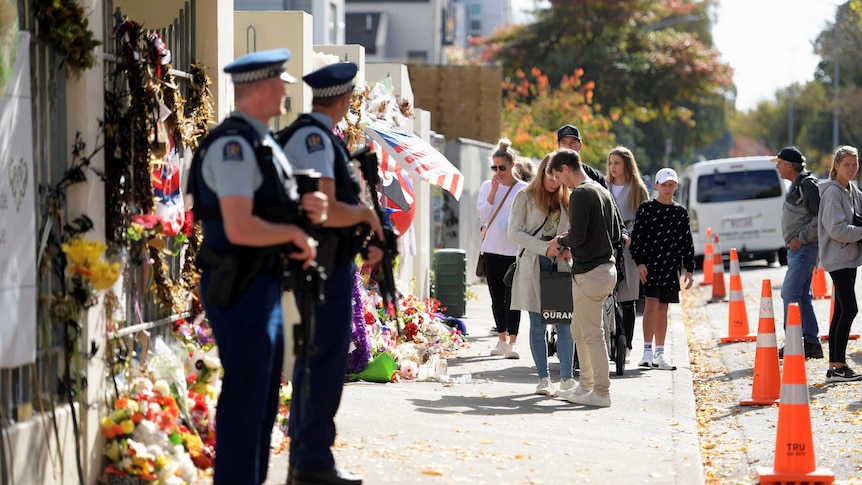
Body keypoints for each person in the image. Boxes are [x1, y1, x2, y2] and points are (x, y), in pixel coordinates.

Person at [188, 48, 326, 485]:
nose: (287, 89)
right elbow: (240, 225)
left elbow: (269, 208)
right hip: (240, 285)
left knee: (263, 400)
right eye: (282, 82)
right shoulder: (234, 145)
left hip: (262, 286)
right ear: (263, 87)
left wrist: (305, 210)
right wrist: (292, 235)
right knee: (247, 399)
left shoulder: (262, 141)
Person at [280, 62, 383, 485]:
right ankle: (313, 460)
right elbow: (323, 207)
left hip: (319, 265)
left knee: (316, 361)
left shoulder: (313, 135)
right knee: (323, 363)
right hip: (323, 269)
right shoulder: (316, 137)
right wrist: (364, 214)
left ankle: (306, 457)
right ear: (342, 99)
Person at [546, 148, 621, 407]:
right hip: (603, 269)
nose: (559, 183)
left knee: (591, 334)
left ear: (566, 168)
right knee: (580, 329)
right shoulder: (602, 190)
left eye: (558, 176)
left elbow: (577, 237)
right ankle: (586, 386)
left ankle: (601, 391)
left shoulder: (580, 194)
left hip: (590, 272)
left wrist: (561, 240)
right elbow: (614, 235)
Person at [508, 155, 575, 395]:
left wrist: (568, 247)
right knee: (537, 324)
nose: (555, 182)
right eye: (551, 176)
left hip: (557, 265)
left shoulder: (567, 199)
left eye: (559, 178)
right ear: (541, 172)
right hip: (534, 264)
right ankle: (543, 379)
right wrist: (543, 246)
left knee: (563, 324)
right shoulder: (525, 196)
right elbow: (513, 232)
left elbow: (574, 231)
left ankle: (567, 379)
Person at [630, 168, 695, 371]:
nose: (668, 188)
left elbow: (687, 242)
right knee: (651, 304)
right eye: (664, 184)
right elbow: (637, 239)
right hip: (650, 265)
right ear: (656, 185)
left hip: (670, 265)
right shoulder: (646, 209)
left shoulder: (680, 212)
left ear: (676, 186)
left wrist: (690, 269)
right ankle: (647, 351)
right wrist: (640, 262)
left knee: (663, 307)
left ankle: (660, 352)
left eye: (671, 185)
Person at [477, 138, 528, 359]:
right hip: (491, 249)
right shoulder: (488, 186)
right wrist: (493, 191)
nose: (498, 171)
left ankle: (513, 342)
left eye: (502, 168)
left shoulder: (523, 189)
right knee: (496, 297)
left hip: (514, 252)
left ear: (513, 165)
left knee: (512, 298)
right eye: (494, 167)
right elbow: (482, 215)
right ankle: (501, 338)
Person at [771, 146, 823, 359]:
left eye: (779, 163)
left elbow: (819, 219)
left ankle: (794, 343)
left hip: (804, 249)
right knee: (802, 295)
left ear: (789, 166)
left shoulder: (807, 185)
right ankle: (811, 343)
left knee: (789, 293)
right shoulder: (797, 185)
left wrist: (799, 240)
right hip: (799, 250)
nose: (777, 167)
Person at [817, 145, 862, 383]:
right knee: (850, 309)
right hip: (837, 258)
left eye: (855, 164)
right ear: (836, 165)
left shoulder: (851, 189)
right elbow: (837, 229)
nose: (852, 169)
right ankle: (838, 366)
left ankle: (835, 366)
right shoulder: (833, 192)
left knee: (842, 311)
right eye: (847, 165)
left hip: (848, 257)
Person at [605, 147, 650, 362]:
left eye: (617, 163)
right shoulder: (604, 187)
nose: (613, 167)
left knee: (627, 298)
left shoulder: (638, 190)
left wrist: (631, 236)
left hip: (630, 249)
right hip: (607, 247)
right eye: (611, 163)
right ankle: (608, 340)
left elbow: (645, 221)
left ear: (627, 166)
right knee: (606, 296)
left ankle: (628, 344)